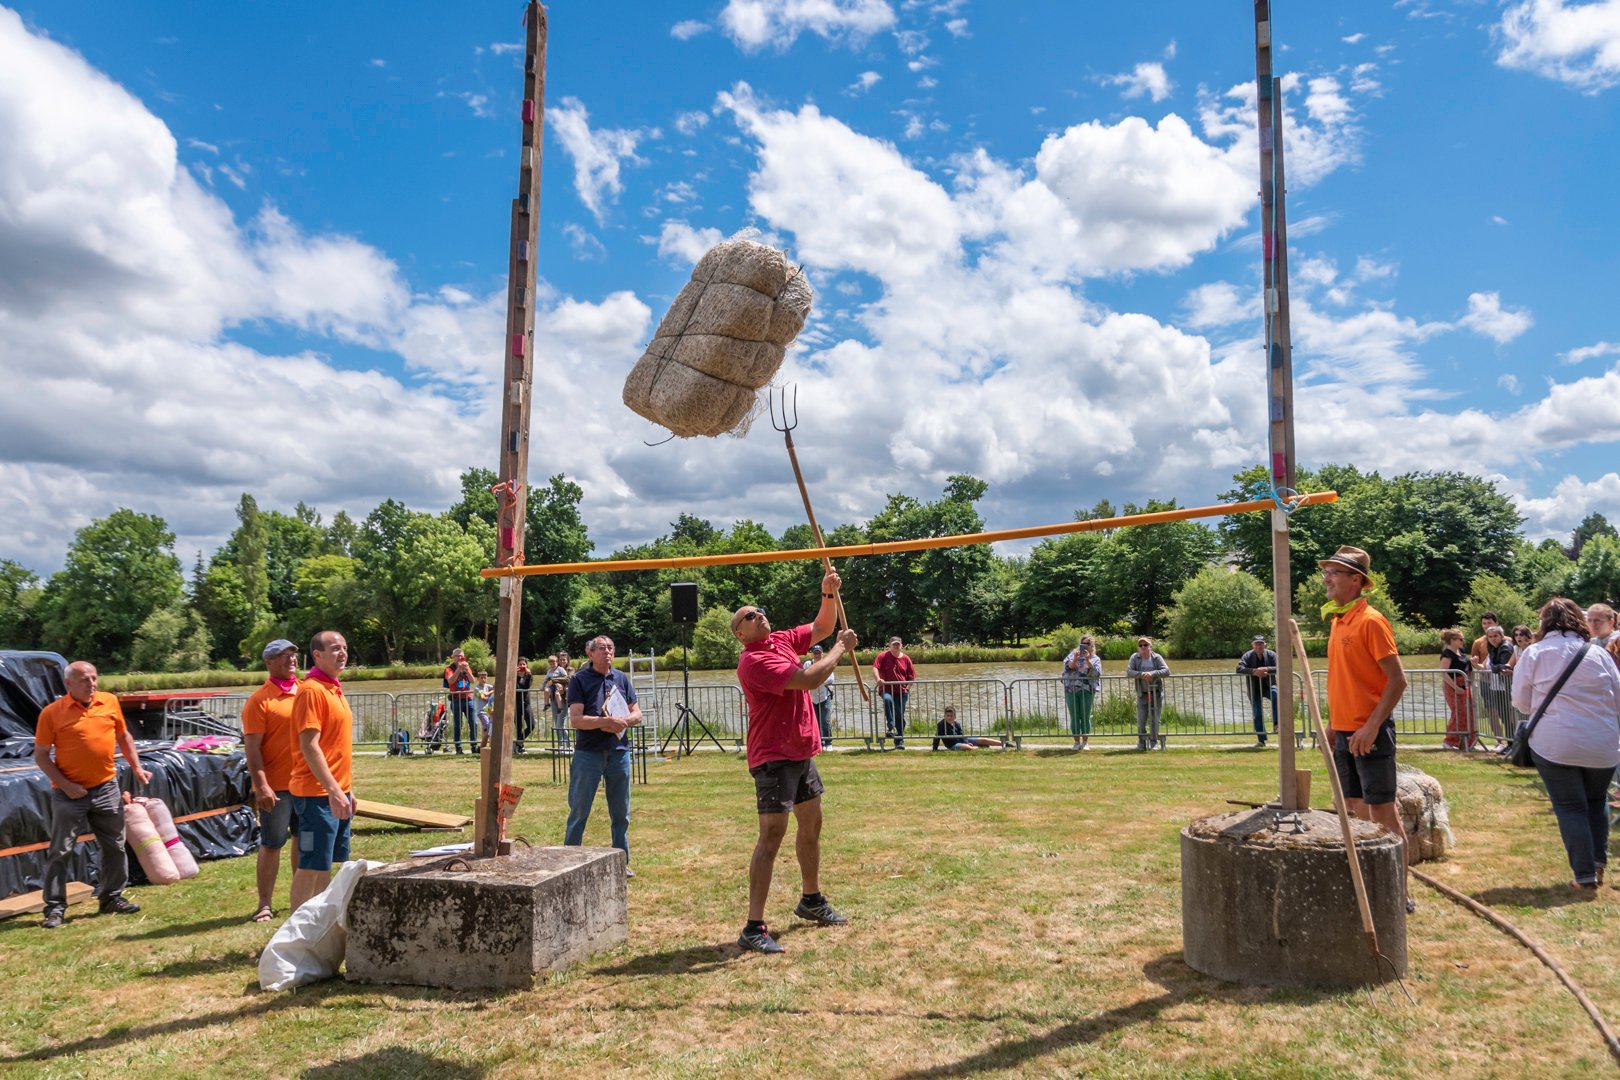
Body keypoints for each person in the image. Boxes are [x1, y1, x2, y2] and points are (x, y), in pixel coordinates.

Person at [732, 573, 856, 954]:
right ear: (740, 633)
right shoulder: (754, 661)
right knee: (771, 836)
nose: (760, 615)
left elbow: (821, 625)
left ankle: (811, 899)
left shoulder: (781, 639)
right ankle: (753, 926)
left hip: (800, 752)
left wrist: (827, 592)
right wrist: (838, 650)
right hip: (773, 756)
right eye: (751, 615)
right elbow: (809, 679)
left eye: (760, 610)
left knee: (812, 823)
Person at [1319, 545, 1413, 913]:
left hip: (1369, 734)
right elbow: (1346, 681)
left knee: (1382, 815)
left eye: (1335, 573)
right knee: (1352, 811)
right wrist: (1332, 724)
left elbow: (1397, 681)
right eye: (1326, 572)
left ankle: (1399, 891)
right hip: (1344, 733)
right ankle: (1362, 886)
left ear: (1357, 580)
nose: (1326, 578)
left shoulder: (1371, 620)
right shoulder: (1339, 619)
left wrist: (1371, 727)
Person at [1510, 598, 1620, 892]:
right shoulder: (1599, 655)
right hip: (1603, 743)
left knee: (1570, 806)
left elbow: (1520, 703)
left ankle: (1584, 875)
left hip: (1555, 742)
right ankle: (1597, 866)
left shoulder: (1534, 653)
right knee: (1597, 801)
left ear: (1544, 622)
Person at [34, 661, 152, 928]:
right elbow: (40, 755)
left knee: (115, 845)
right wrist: (65, 785)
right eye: (85, 680)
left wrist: (137, 768)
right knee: (61, 850)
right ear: (69, 684)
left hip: (106, 788)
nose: (92, 684)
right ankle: (54, 908)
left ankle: (111, 897)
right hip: (69, 794)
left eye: (94, 678)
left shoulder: (109, 702)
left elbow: (124, 736)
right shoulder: (52, 713)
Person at [288, 631, 356, 914]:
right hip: (316, 795)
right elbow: (310, 746)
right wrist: (333, 790)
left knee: (327, 863)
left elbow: (336, 747)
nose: (342, 653)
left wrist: (348, 789)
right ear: (317, 655)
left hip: (337, 792)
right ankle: (296, 934)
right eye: (334, 649)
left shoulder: (334, 688)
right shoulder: (312, 690)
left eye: (344, 648)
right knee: (311, 864)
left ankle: (319, 925)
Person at [564, 636, 642, 872]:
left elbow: (637, 713)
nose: (607, 652)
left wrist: (622, 722)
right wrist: (603, 722)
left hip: (619, 753)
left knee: (621, 813)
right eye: (601, 648)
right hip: (588, 753)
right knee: (579, 810)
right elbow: (575, 720)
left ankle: (621, 863)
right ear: (590, 653)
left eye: (610, 648)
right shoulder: (579, 680)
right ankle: (568, 862)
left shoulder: (620, 678)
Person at [241, 639, 301, 922]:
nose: (291, 659)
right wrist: (261, 785)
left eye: (293, 654)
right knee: (273, 843)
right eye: (283, 655)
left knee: (304, 842)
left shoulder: (306, 691)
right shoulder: (259, 700)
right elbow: (252, 748)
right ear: (268, 662)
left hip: (306, 784)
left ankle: (301, 901)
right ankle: (264, 903)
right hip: (276, 786)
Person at [1476, 625, 1515, 751]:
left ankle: (1513, 745)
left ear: (1502, 636)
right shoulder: (1492, 647)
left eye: (1495, 636)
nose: (1493, 639)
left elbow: (1503, 667)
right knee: (1504, 718)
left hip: (1507, 687)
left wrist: (1491, 668)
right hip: (1497, 686)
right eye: (1490, 636)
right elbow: (1496, 667)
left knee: (1509, 718)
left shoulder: (1506, 647)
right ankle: (1510, 745)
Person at [1236, 634, 1279, 747]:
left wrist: (1267, 669)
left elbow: (1281, 666)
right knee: (1257, 713)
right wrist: (1254, 671)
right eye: (1257, 644)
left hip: (1269, 686)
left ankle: (1277, 724)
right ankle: (1261, 740)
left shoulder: (1272, 655)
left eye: (1261, 644)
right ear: (1252, 645)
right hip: (1254, 688)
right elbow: (1239, 669)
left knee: (1277, 695)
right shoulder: (1247, 655)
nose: (1259, 646)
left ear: (1265, 644)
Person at [1127, 637, 1169, 751]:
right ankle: (1141, 742)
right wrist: (1141, 674)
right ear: (1138, 648)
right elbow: (1129, 672)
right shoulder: (1135, 657)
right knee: (1141, 720)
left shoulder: (1157, 657)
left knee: (1155, 719)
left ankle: (1154, 742)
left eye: (1145, 645)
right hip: (1142, 694)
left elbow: (1166, 671)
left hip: (1156, 694)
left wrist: (1153, 673)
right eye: (1140, 645)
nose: (1143, 647)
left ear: (1150, 647)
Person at [873, 637, 916, 749]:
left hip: (902, 692)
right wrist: (878, 679)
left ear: (901, 645)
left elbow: (911, 676)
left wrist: (908, 688)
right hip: (886, 689)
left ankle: (899, 742)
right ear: (890, 645)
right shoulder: (882, 656)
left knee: (899, 716)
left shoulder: (906, 659)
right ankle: (891, 725)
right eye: (894, 644)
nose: (896, 646)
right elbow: (875, 668)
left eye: (898, 644)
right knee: (887, 700)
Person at [1438, 629, 1477, 751]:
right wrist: (1455, 687)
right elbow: (1444, 673)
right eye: (1460, 639)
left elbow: (1467, 668)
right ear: (1452, 640)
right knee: (1458, 713)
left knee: (1469, 713)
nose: (1462, 641)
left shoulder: (1461, 652)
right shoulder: (1447, 654)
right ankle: (1450, 741)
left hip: (1465, 685)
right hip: (1453, 687)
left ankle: (1467, 741)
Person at [1061, 636, 1102, 751]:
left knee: (1085, 715)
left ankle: (1085, 742)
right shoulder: (1072, 655)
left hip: (1087, 690)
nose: (1085, 645)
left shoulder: (1095, 658)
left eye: (1087, 643)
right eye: (1083, 643)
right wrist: (1075, 659)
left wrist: (1088, 660)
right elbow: (1067, 668)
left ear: (1092, 646)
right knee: (1074, 716)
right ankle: (1076, 742)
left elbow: (1096, 673)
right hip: (1071, 690)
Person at [443, 649, 476, 755]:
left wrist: (466, 670)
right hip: (456, 699)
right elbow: (451, 681)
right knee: (458, 724)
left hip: (468, 699)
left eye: (461, 656)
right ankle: (458, 747)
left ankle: (474, 746)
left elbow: (472, 681)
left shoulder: (467, 667)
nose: (459, 658)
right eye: (457, 656)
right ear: (453, 657)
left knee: (473, 723)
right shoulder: (449, 669)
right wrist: (458, 669)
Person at [932, 705, 1004, 750]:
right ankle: (981, 748)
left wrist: (966, 742)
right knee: (967, 748)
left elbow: (962, 734)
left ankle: (1004, 744)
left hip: (962, 740)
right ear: (944, 716)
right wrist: (934, 749)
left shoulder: (956, 724)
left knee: (983, 739)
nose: (949, 717)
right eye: (947, 715)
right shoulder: (941, 725)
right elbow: (936, 737)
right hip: (953, 745)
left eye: (951, 716)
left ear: (955, 716)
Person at [803, 644, 835, 745]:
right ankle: (819, 742)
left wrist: (817, 680)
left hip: (825, 697)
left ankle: (828, 742)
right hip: (812, 698)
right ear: (812, 654)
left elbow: (831, 679)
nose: (817, 655)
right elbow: (803, 676)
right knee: (815, 721)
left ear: (822, 654)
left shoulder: (826, 663)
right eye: (815, 653)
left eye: (819, 653)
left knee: (825, 721)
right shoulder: (808, 664)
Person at [546, 652, 572, 750]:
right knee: (556, 722)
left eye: (564, 659)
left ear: (567, 660)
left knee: (561, 723)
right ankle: (561, 745)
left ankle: (569, 744)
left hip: (564, 700)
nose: (562, 661)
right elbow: (548, 679)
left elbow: (568, 679)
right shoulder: (553, 669)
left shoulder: (570, 669)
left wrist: (553, 680)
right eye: (560, 659)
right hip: (553, 699)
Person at [514, 656, 535, 753]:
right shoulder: (513, 676)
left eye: (524, 664)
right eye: (520, 664)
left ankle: (518, 742)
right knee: (518, 726)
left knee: (531, 725)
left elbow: (526, 687)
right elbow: (517, 687)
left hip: (526, 703)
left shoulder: (529, 676)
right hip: (516, 704)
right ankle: (520, 747)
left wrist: (529, 674)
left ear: (526, 665)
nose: (522, 666)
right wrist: (516, 675)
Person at [474, 670, 494, 746]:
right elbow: (484, 698)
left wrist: (493, 689)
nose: (483, 680)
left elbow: (495, 687)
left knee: (486, 729)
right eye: (481, 678)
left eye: (485, 678)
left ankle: (483, 747)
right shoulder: (477, 688)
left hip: (488, 711)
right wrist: (491, 692)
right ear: (478, 679)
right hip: (481, 712)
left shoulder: (487, 686)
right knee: (488, 727)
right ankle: (483, 746)